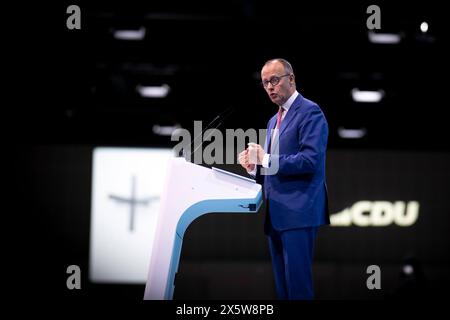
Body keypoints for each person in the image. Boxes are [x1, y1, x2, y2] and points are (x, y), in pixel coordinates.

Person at [238, 58, 329, 300]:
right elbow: (273, 165)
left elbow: (310, 161)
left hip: (298, 211)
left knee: (298, 288)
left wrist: (265, 158)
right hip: (276, 213)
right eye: (265, 82)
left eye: (274, 80)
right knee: (283, 290)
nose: (269, 87)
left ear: (291, 79)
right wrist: (254, 166)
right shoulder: (272, 120)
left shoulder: (310, 111)